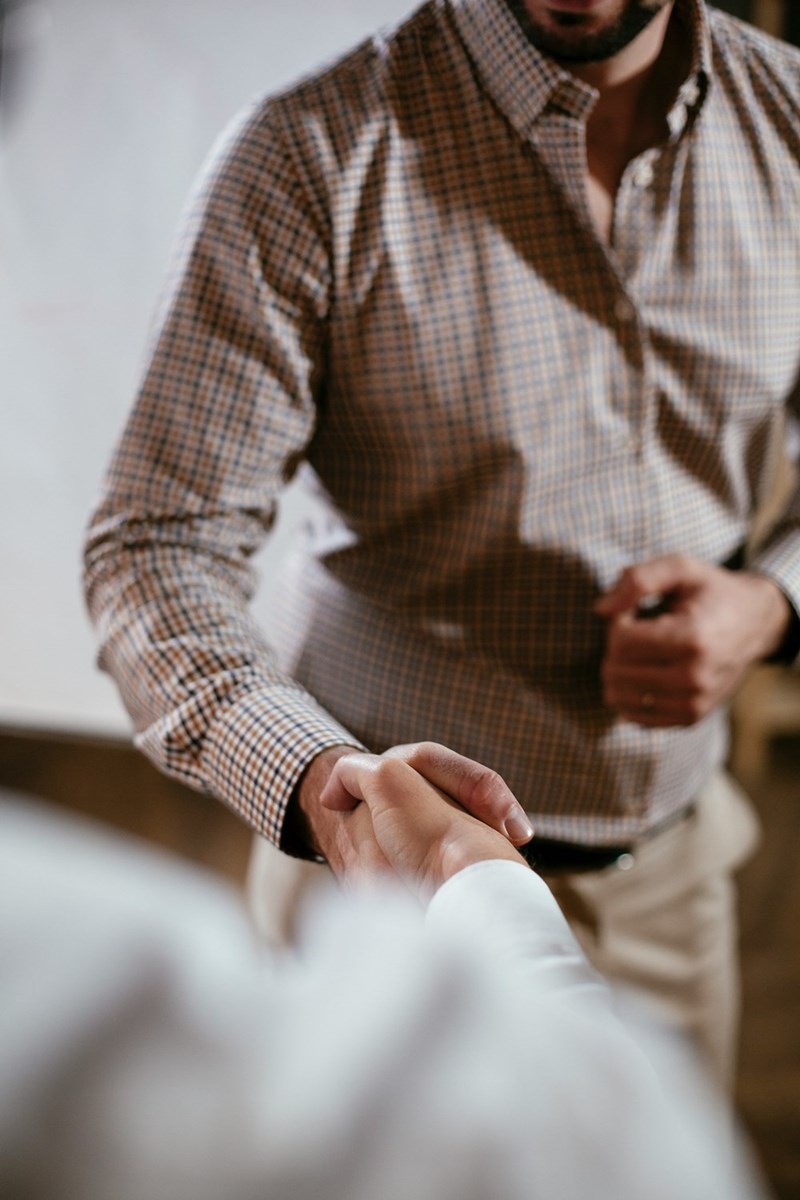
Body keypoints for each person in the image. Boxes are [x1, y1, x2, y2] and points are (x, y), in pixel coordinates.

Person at [83, 0, 800, 1088]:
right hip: (371, 906)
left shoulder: (789, 120)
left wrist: (771, 603)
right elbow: (154, 547)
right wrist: (334, 790)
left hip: (667, 882)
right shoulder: (303, 155)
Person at [0, 783, 768, 1200]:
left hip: (669, 862)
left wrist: (773, 604)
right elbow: (582, 1146)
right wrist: (467, 871)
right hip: (360, 861)